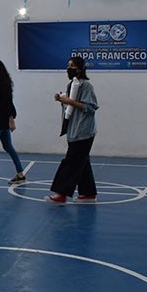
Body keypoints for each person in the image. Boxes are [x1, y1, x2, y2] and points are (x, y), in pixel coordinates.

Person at [47, 56, 99, 203]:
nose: (69, 69)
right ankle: (88, 193)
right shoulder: (71, 85)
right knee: (82, 162)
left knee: (71, 162)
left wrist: (69, 101)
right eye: (68, 65)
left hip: (84, 131)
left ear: (80, 69)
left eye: (72, 66)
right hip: (73, 129)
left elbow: (90, 107)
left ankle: (61, 193)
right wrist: (62, 99)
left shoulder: (86, 86)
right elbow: (70, 106)